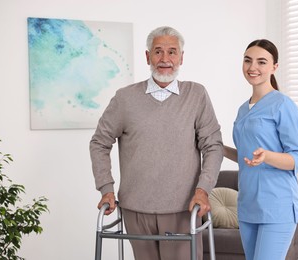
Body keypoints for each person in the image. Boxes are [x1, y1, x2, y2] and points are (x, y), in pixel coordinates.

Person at [89, 26, 223, 260]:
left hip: (184, 208)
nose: (165, 59)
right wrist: (106, 188)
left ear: (181, 57)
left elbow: (213, 145)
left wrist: (203, 191)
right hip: (136, 209)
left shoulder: (197, 95)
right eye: (158, 51)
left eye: (172, 52)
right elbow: (100, 142)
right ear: (147, 56)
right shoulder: (125, 98)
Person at [223, 39, 298, 260]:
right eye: (248, 60)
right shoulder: (243, 109)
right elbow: (246, 156)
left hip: (276, 205)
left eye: (261, 62)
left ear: (274, 67)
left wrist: (267, 156)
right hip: (248, 205)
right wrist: (220, 149)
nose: (253, 67)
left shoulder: (283, 105)